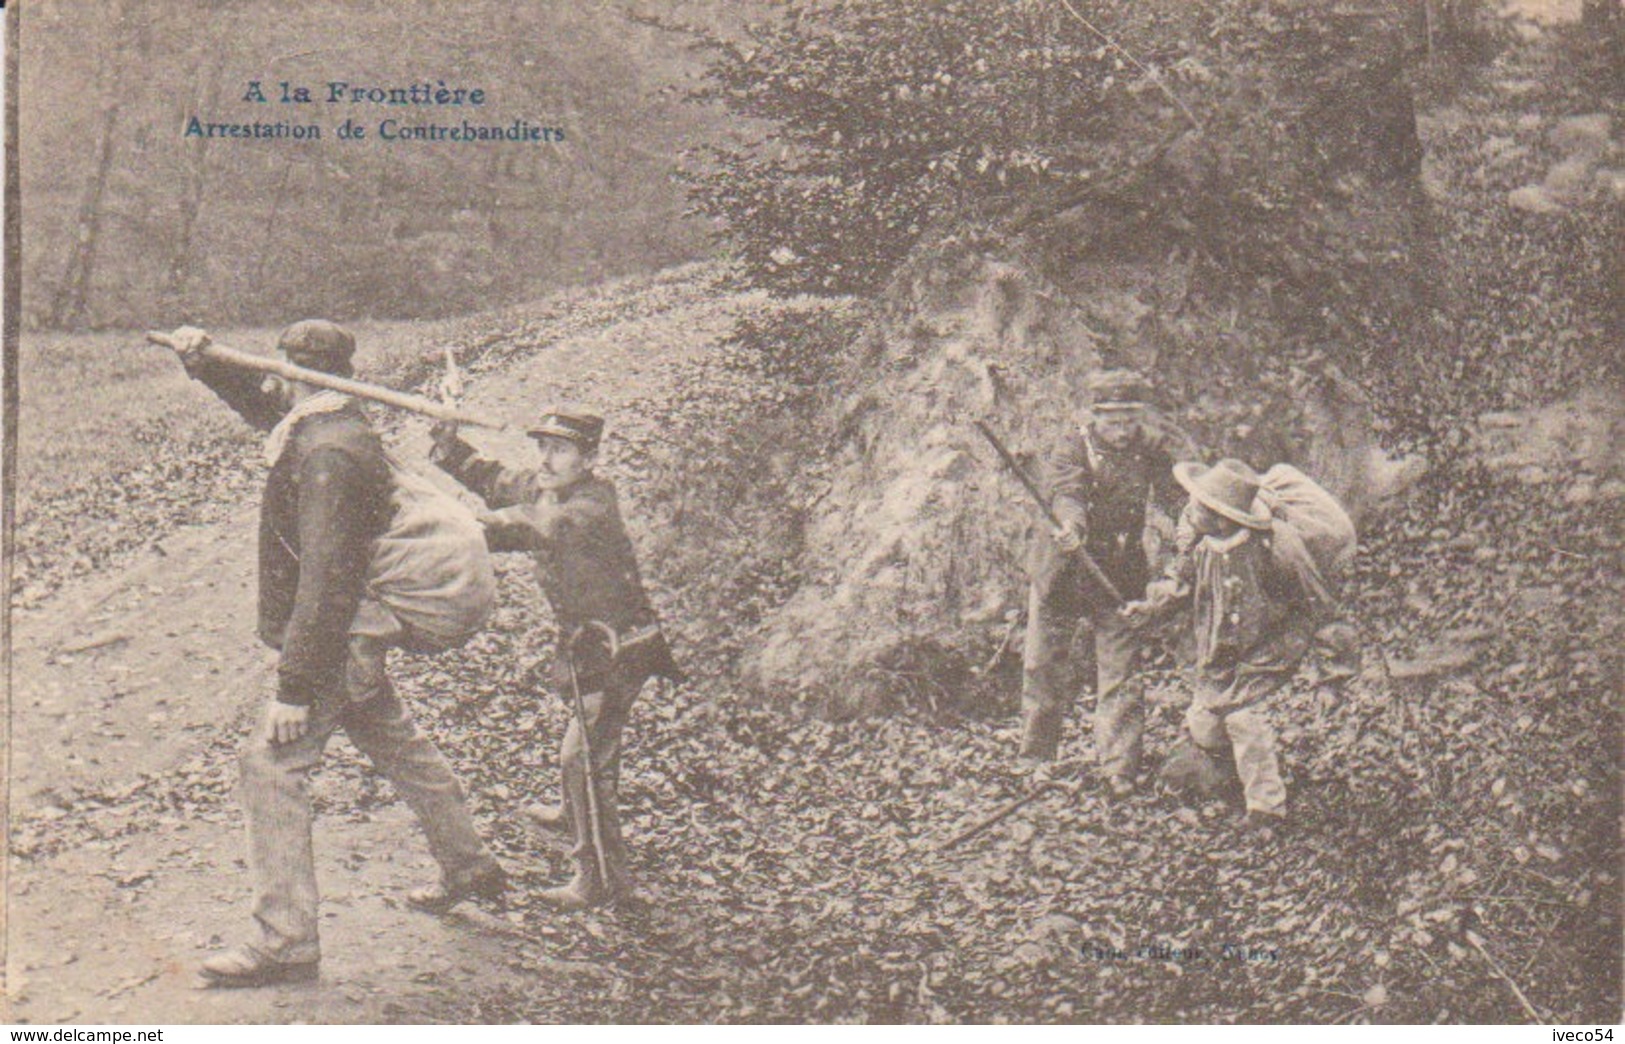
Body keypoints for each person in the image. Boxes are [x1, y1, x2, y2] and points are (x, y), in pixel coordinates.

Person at [164, 323, 505, 988]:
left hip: (345, 629)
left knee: (270, 763)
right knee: (392, 737)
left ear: (296, 374)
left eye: (278, 370)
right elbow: (268, 410)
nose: (270, 380)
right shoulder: (331, 425)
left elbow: (329, 579)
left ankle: (286, 941)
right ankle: (472, 869)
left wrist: (294, 686)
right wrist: (207, 366)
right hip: (355, 626)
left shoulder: (330, 458)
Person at [429, 408, 680, 911]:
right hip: (588, 643)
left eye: (561, 449)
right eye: (543, 446)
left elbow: (533, 526)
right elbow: (496, 479)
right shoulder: (547, 487)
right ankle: (573, 813)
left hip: (620, 648)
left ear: (589, 458)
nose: (546, 458)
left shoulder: (591, 505)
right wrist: (450, 446)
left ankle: (600, 877)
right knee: (585, 747)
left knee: (583, 758)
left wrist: (451, 525)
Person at [1019, 369, 1197, 796]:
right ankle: (1037, 759)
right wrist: (1070, 525)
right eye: (1112, 421)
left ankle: (1119, 767)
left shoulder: (1150, 449)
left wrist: (1186, 537)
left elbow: (1176, 501)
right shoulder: (1073, 447)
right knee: (1044, 666)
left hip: (1119, 571)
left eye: (1129, 420)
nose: (1121, 431)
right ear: (1095, 417)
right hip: (1065, 569)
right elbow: (1068, 491)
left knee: (1120, 671)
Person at [1123, 458, 1324, 835]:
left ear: (1221, 516)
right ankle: (1230, 774)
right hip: (1219, 653)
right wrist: (1149, 606)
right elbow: (1177, 585)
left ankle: (1266, 809)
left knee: (1244, 720)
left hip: (1266, 649)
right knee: (1205, 725)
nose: (1190, 509)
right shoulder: (1201, 547)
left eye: (1200, 506)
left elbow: (1316, 603)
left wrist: (1331, 668)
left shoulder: (1271, 551)